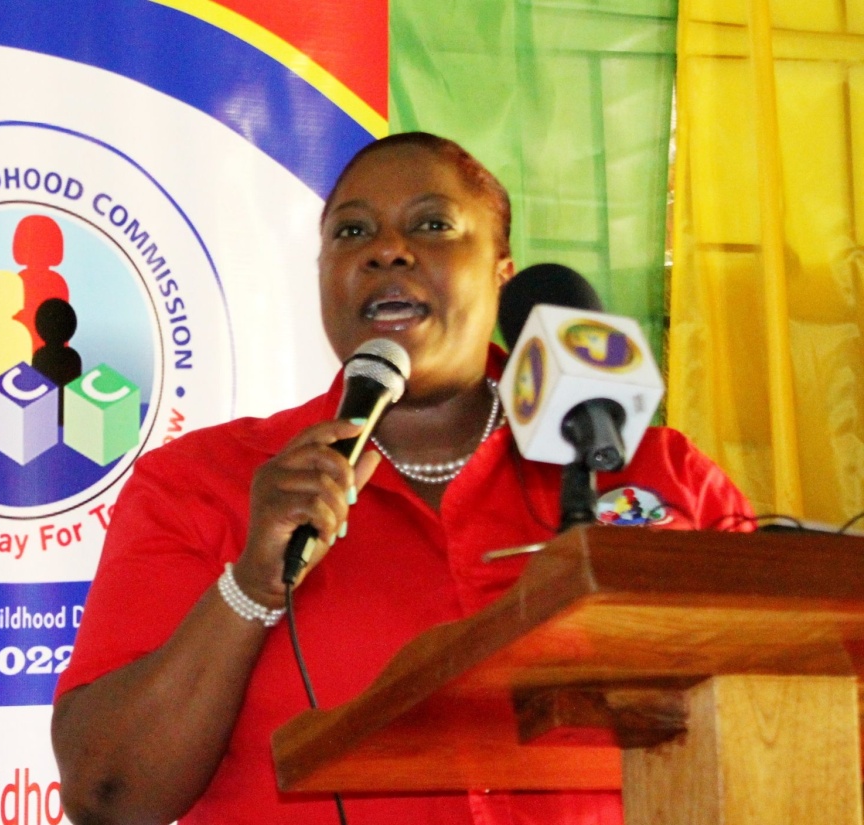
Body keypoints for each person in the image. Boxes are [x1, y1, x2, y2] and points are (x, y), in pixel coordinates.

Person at [50, 132, 753, 824]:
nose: (387, 248)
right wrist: (251, 586)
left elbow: (789, 721)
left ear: (502, 275)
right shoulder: (202, 484)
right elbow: (108, 794)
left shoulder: (660, 471)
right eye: (353, 231)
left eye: (432, 224)